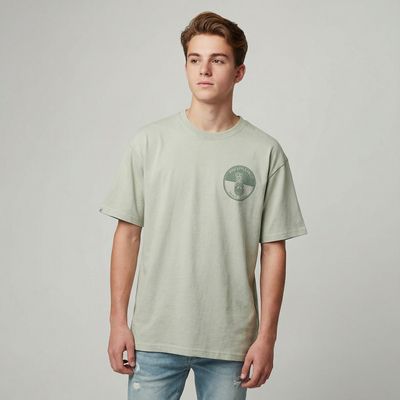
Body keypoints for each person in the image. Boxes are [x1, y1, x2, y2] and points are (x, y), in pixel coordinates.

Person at [99, 10, 308, 400]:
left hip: (230, 343)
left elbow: (273, 249)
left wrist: (267, 338)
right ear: (185, 67)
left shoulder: (265, 152)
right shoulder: (149, 143)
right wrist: (117, 322)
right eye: (195, 59)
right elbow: (127, 235)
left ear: (239, 72)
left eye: (218, 60)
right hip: (155, 337)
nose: (204, 70)